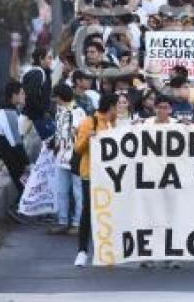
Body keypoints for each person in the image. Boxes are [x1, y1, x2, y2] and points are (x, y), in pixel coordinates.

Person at [73, 92, 118, 267]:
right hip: (90, 174)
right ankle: (82, 251)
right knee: (88, 212)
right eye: (118, 107)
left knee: (107, 213)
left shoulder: (112, 125)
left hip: (110, 176)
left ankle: (104, 251)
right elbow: (77, 148)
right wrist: (88, 138)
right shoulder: (88, 122)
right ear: (112, 107)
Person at [49, 83, 85, 235]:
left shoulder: (78, 112)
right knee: (61, 190)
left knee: (78, 192)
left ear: (60, 97)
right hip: (61, 157)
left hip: (75, 157)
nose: (54, 100)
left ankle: (78, 223)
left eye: (55, 97)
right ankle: (63, 221)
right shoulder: (60, 111)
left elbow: (80, 134)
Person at [0, 81, 29, 219]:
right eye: (22, 93)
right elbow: (15, 142)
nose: (25, 96)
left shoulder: (10, 110)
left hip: (8, 152)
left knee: (26, 182)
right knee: (27, 183)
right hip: (7, 154)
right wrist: (27, 162)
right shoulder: (8, 112)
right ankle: (16, 209)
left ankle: (20, 209)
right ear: (14, 95)